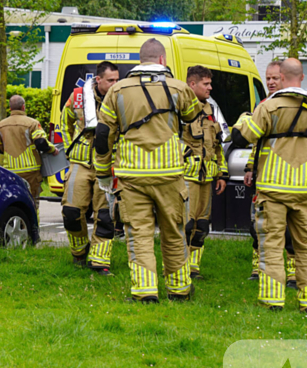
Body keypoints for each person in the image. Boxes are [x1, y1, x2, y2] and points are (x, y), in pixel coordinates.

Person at [94, 39, 200, 303]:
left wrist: (104, 172)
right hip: (170, 174)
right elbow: (194, 120)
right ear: (162, 60)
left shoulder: (117, 90)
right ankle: (179, 290)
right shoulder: (180, 88)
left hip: (132, 176)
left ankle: (144, 291)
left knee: (138, 234)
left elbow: (103, 134)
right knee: (174, 232)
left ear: (140, 60)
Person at [231, 58, 307, 313]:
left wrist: (242, 120)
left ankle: (273, 300)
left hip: (273, 189)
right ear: (302, 76)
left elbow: (242, 137)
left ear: (282, 77)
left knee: (272, 245)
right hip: (306, 190)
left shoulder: (270, 107)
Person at [59, 61, 119, 274]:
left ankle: (99, 262)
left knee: (104, 216)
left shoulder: (121, 98)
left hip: (108, 166)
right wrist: (69, 149)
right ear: (98, 79)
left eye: (117, 80)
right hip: (80, 163)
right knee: (71, 210)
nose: (115, 84)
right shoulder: (77, 96)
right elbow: (63, 124)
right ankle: (79, 253)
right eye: (110, 80)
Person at [242, 59, 296, 286]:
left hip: (293, 176)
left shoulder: (298, 105)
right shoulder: (263, 105)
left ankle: (293, 271)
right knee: (259, 223)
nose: (271, 82)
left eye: (275, 78)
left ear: (284, 77)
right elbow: (256, 141)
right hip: (265, 175)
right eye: (268, 78)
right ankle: (258, 268)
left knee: (292, 228)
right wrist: (250, 167)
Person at [181, 65, 227, 280]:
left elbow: (217, 145)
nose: (210, 87)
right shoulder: (179, 109)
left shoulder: (211, 110)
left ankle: (194, 269)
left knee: (201, 225)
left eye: (210, 83)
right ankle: (179, 267)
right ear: (192, 84)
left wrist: (222, 174)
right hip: (185, 176)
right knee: (185, 225)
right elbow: (167, 139)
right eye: (205, 84)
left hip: (207, 177)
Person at [0, 94, 52, 213]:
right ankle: (34, 229)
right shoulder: (32, 123)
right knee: (32, 203)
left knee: (13, 202)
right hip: (31, 171)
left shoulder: (0, 125)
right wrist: (52, 150)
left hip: (10, 171)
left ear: (10, 108)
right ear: (23, 107)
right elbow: (41, 142)